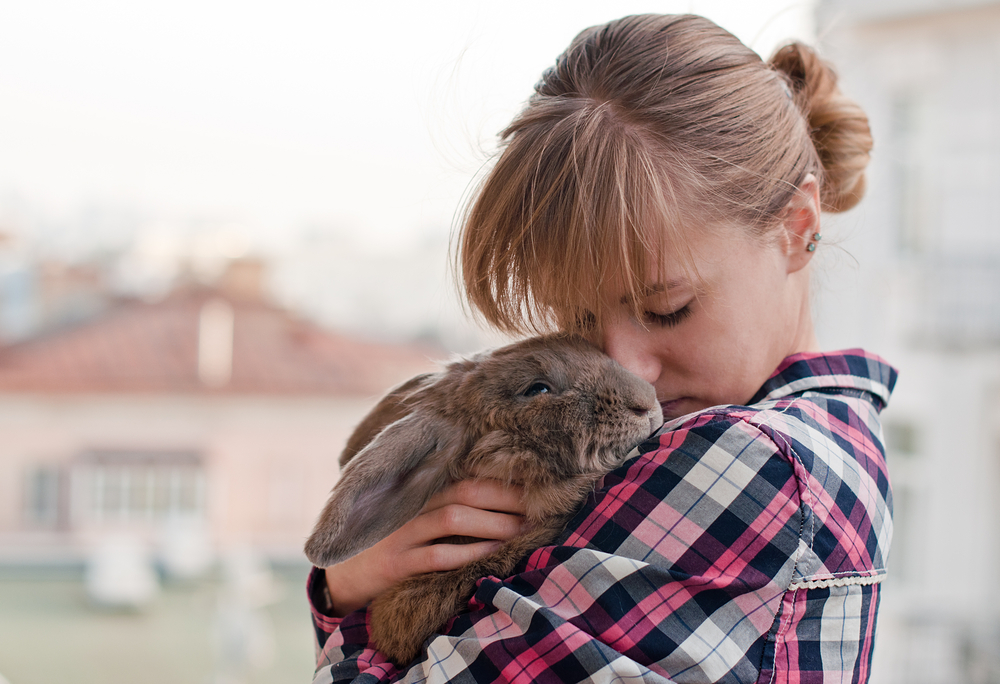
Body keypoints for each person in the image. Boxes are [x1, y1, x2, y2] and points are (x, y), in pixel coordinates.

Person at [307, 13, 896, 684]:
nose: (628, 368)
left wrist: (351, 605)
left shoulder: (760, 463)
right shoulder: (826, 431)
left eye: (668, 308)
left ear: (797, 227)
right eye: (580, 322)